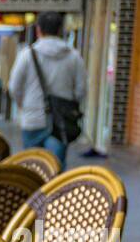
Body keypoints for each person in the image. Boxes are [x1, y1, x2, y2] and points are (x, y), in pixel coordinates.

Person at [8, 11, 87, 167]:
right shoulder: (74, 57)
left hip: (32, 120)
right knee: (56, 170)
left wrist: (24, 106)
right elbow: (81, 90)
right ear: (60, 30)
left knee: (32, 169)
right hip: (61, 122)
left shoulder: (26, 55)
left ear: (38, 30)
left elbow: (14, 87)